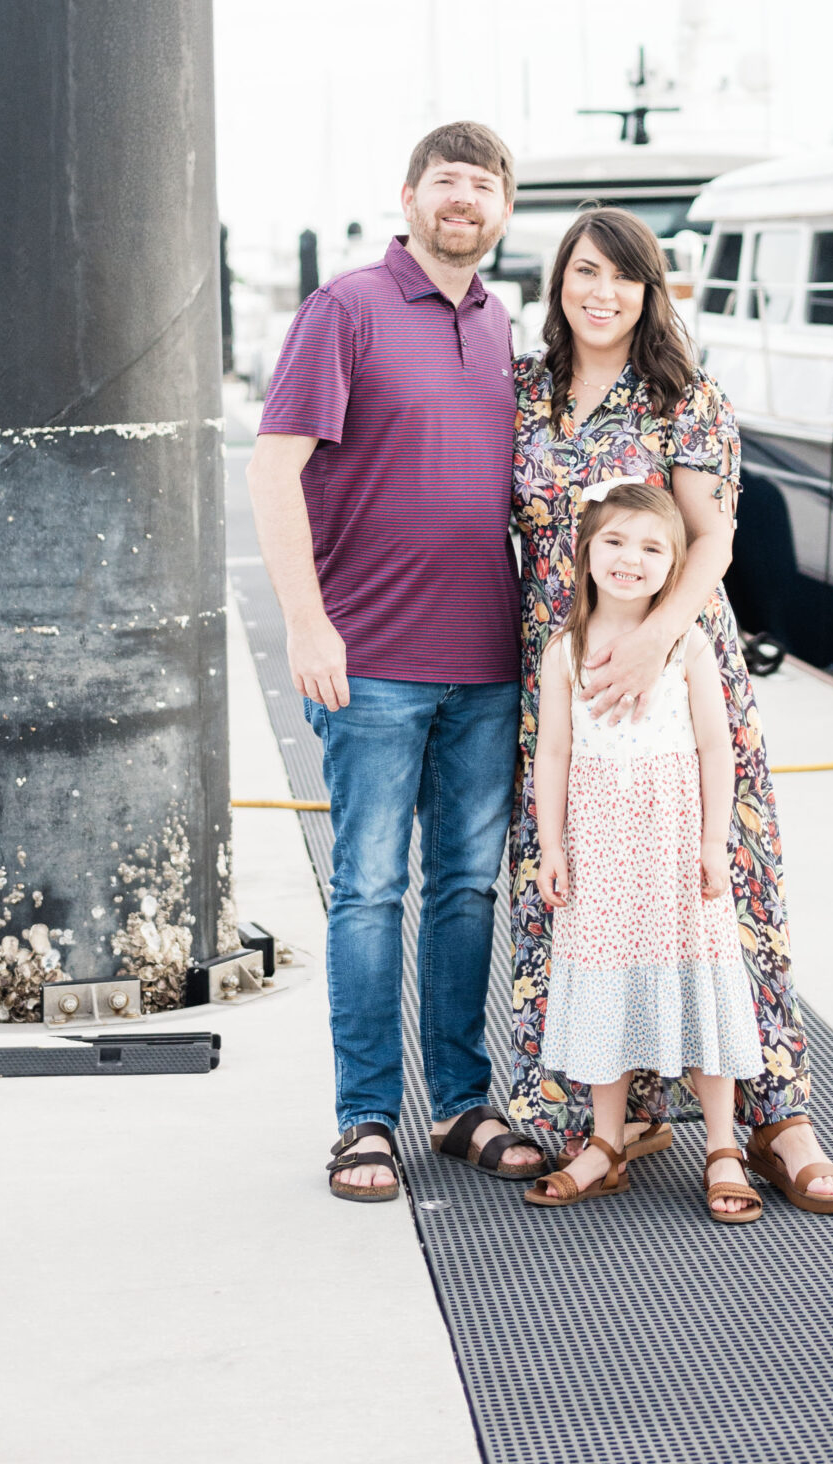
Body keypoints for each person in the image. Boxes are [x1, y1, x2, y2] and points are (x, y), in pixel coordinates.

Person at [508, 204, 833, 1214]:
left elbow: (711, 540)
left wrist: (659, 637)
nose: (601, 292)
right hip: (567, 676)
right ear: (559, 282)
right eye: (584, 271)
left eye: (623, 276)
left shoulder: (682, 397)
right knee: (579, 897)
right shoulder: (526, 394)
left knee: (722, 895)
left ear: (649, 290)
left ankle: (775, 1117)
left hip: (677, 668)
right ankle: (608, 1118)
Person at [249, 122, 545, 1200]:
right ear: (409, 196)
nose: (464, 199)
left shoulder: (500, 321)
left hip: (486, 659)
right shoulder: (347, 310)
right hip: (368, 658)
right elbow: (274, 472)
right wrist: (306, 621)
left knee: (467, 888)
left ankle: (462, 1103)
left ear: (503, 211)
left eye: (484, 185)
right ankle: (367, 1117)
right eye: (446, 181)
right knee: (369, 889)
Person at [526, 482, 767, 1222]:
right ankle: (605, 1140)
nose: (631, 559)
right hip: (599, 842)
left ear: (675, 565)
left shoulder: (687, 645)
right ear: (587, 553)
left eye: (652, 547)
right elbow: (555, 752)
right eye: (616, 542)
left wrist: (711, 841)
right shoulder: (563, 651)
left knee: (701, 976)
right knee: (602, 976)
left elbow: (714, 748)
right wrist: (551, 843)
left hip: (670, 842)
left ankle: (722, 1144)